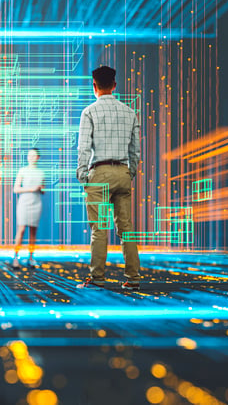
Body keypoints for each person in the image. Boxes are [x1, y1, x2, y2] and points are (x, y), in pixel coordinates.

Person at [77, 66, 141, 290]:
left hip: (100, 174)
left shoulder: (89, 112)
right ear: (115, 85)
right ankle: (133, 279)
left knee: (99, 228)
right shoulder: (129, 112)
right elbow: (136, 151)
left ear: (94, 86)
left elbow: (83, 148)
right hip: (123, 173)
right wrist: (129, 173)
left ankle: (97, 278)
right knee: (126, 229)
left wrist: (83, 176)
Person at [12, 148, 45, 269]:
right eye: (29, 155)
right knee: (21, 230)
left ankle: (30, 258)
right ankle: (15, 257)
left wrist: (40, 188)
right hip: (24, 202)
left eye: (33, 155)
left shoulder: (41, 172)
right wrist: (31, 189)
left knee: (33, 232)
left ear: (38, 157)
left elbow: (43, 190)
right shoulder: (22, 170)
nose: (31, 157)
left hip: (36, 202)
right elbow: (16, 189)